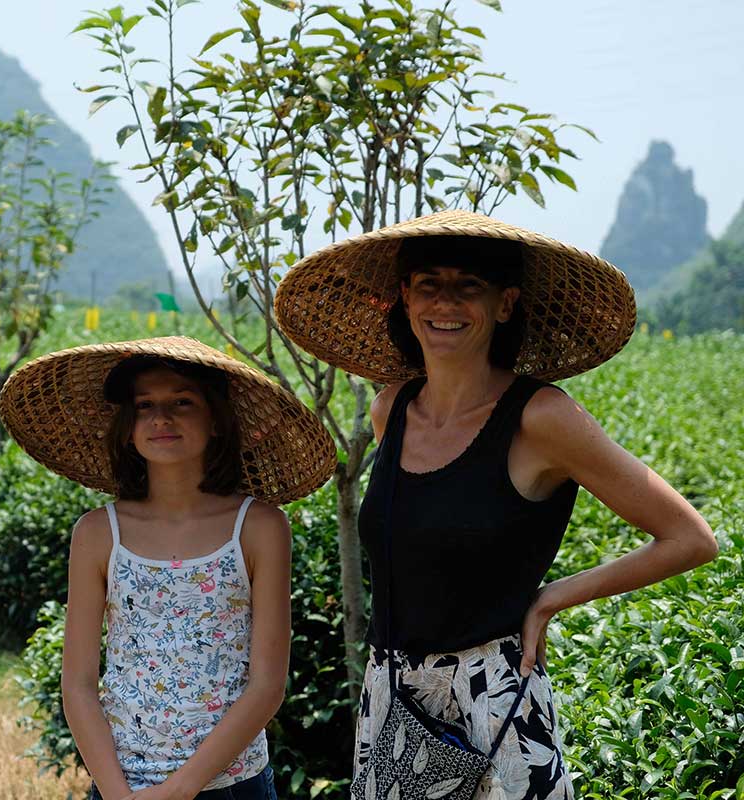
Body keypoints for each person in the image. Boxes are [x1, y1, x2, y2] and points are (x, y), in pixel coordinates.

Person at [273, 210, 718, 798]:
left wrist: (550, 598)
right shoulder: (391, 410)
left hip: (493, 696)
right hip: (392, 692)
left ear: (505, 303)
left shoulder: (542, 418)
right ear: (405, 297)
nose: (445, 302)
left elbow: (689, 538)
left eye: (469, 286)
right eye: (429, 283)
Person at [0, 337, 335, 800]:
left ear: (216, 420)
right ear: (127, 427)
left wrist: (180, 789)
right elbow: (77, 685)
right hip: (122, 787)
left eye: (182, 402)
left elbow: (267, 685)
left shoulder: (259, 528)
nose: (161, 417)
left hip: (232, 785)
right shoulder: (98, 533)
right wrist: (117, 794)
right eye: (144, 405)